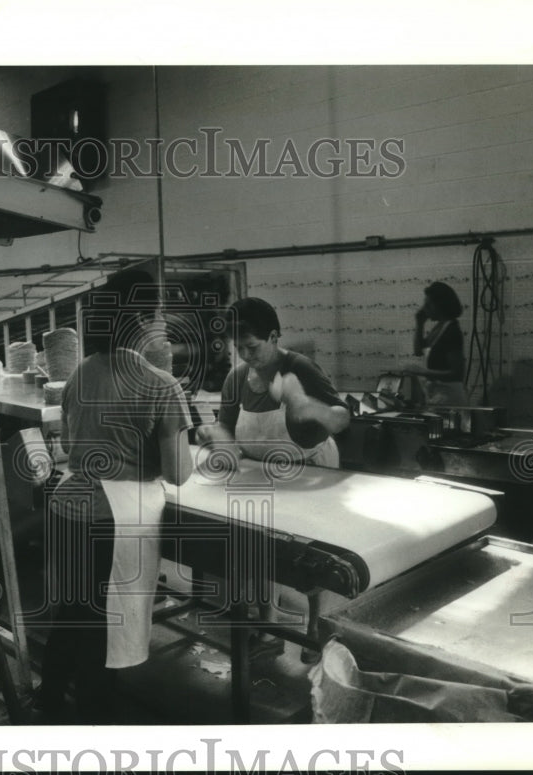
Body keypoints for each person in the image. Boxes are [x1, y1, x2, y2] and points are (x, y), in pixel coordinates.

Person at [37, 268, 192, 724]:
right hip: (114, 519)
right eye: (158, 313)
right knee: (103, 630)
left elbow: (68, 446)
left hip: (68, 508)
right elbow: (179, 473)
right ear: (143, 320)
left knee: (73, 614)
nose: (161, 321)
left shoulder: (79, 375)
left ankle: (47, 701)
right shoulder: (161, 385)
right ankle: (95, 725)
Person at [195, 297, 351, 664]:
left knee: (311, 553)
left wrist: (307, 406)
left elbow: (342, 419)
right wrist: (214, 436)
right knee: (258, 542)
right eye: (239, 348)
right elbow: (227, 429)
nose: (246, 355)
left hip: (311, 469)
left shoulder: (300, 367)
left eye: (253, 347)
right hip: (265, 474)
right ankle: (269, 626)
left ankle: (316, 629)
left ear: (274, 336)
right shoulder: (237, 379)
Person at [403, 281, 467, 406]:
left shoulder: (452, 330)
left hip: (450, 398)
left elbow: (457, 373)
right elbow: (418, 351)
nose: (424, 309)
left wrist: (422, 371)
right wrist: (419, 323)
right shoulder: (439, 327)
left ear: (440, 305)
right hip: (437, 396)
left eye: (428, 305)